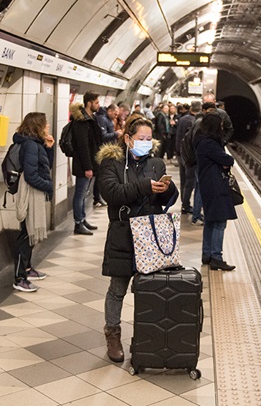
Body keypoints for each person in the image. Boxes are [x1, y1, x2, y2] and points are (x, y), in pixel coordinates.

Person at [96, 114, 177, 362]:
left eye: (149, 139)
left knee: (149, 289)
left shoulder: (156, 164)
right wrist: (144, 186)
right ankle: (113, 334)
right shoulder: (112, 163)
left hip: (149, 234)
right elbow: (112, 193)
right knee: (118, 288)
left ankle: (147, 335)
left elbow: (166, 200)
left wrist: (168, 190)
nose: (146, 143)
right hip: (123, 234)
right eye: (141, 138)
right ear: (128, 139)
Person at [11, 113, 53, 292]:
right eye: (45, 123)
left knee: (29, 234)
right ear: (37, 126)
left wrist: (49, 147)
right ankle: (19, 277)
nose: (48, 125)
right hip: (29, 194)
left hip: (34, 192)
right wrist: (48, 186)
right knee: (26, 235)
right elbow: (31, 176)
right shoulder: (30, 145)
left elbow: (45, 166)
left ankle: (27, 269)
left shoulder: (35, 144)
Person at [195, 113, 237, 271]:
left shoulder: (202, 141)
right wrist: (226, 161)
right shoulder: (209, 143)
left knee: (210, 221)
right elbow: (227, 160)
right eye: (220, 125)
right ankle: (216, 257)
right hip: (215, 185)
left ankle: (207, 255)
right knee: (219, 222)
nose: (222, 128)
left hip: (208, 184)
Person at [70, 92, 103, 235]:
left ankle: (83, 219)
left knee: (83, 194)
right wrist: (88, 167)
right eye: (96, 102)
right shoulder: (81, 121)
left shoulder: (90, 119)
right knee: (80, 193)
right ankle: (78, 223)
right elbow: (83, 147)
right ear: (89, 103)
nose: (98, 105)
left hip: (90, 163)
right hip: (83, 165)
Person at [176, 100, 199, 214]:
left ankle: (183, 202)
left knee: (183, 179)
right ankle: (186, 204)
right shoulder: (194, 122)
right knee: (190, 181)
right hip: (189, 156)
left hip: (180, 154)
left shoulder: (182, 119)